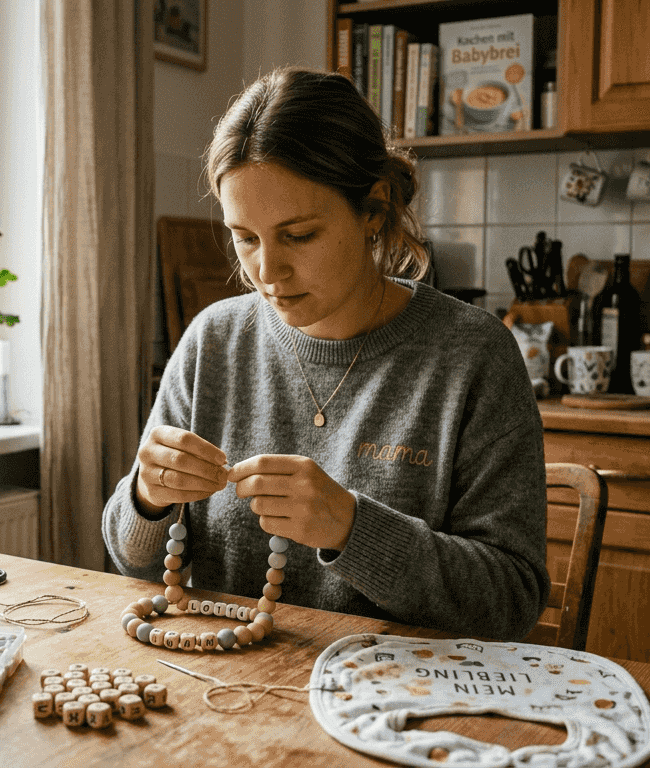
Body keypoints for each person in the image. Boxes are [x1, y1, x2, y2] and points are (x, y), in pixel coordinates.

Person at [101, 67, 549, 641]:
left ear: (374, 209)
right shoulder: (213, 341)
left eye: (299, 235)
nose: (266, 271)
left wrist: (352, 528)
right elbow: (130, 560)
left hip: (397, 704)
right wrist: (147, 497)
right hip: (226, 695)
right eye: (245, 237)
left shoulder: (473, 355)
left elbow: (511, 601)